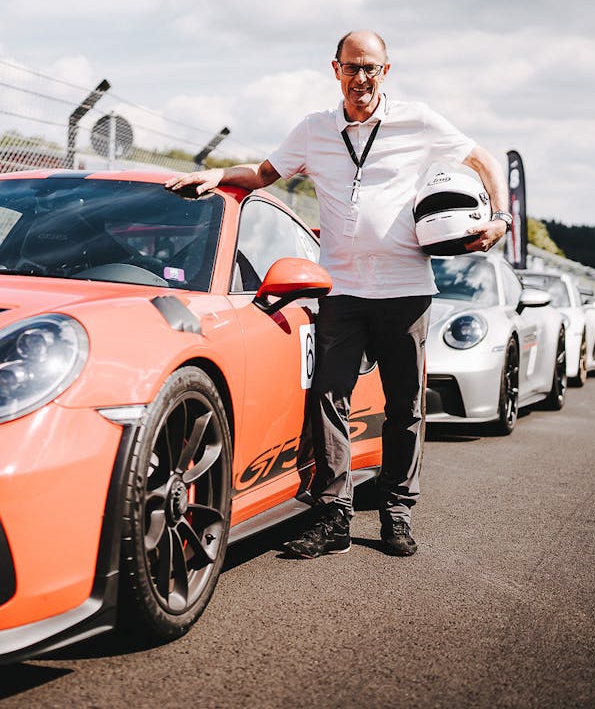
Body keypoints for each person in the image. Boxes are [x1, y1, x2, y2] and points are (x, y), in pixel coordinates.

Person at [165, 29, 510, 558]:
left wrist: (501, 219)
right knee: (328, 398)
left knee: (404, 407)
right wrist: (215, 174)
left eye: (371, 68)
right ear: (335, 69)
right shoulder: (314, 130)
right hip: (341, 291)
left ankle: (396, 511)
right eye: (352, 67)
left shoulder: (417, 121)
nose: (361, 78)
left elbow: (483, 157)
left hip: (405, 289)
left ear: (385, 72)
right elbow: (261, 174)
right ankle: (334, 516)